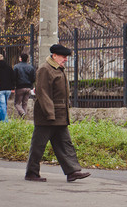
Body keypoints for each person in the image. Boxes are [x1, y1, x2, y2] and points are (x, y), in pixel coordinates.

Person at [25, 44, 90, 182]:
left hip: (59, 115)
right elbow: (43, 93)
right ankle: (31, 173)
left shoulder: (58, 69)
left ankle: (72, 172)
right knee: (38, 145)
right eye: (63, 56)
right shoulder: (45, 69)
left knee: (65, 143)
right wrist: (49, 114)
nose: (66, 59)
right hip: (48, 115)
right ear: (54, 56)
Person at [13, 53, 36, 119]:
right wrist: (31, 85)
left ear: (20, 58)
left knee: (17, 103)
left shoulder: (16, 67)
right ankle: (24, 117)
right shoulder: (31, 67)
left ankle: (22, 112)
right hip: (28, 87)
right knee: (25, 103)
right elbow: (33, 78)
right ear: (27, 59)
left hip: (20, 87)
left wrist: (14, 85)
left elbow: (14, 77)